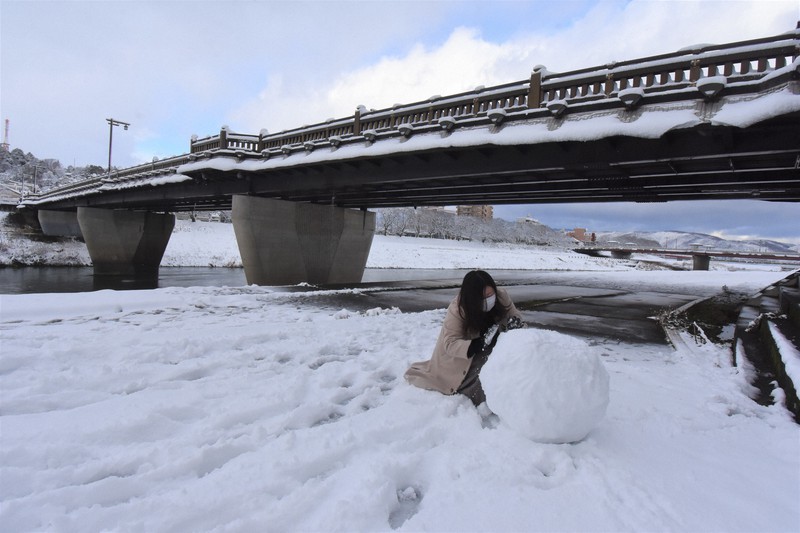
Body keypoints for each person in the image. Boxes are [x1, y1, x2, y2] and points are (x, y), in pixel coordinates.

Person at [404, 270, 524, 412]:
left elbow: (517, 317)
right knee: (487, 387)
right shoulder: (458, 308)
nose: (489, 299)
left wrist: (516, 324)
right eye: (483, 296)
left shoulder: (502, 296)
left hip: (492, 347)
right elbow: (450, 343)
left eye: (491, 294)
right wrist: (476, 345)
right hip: (463, 359)